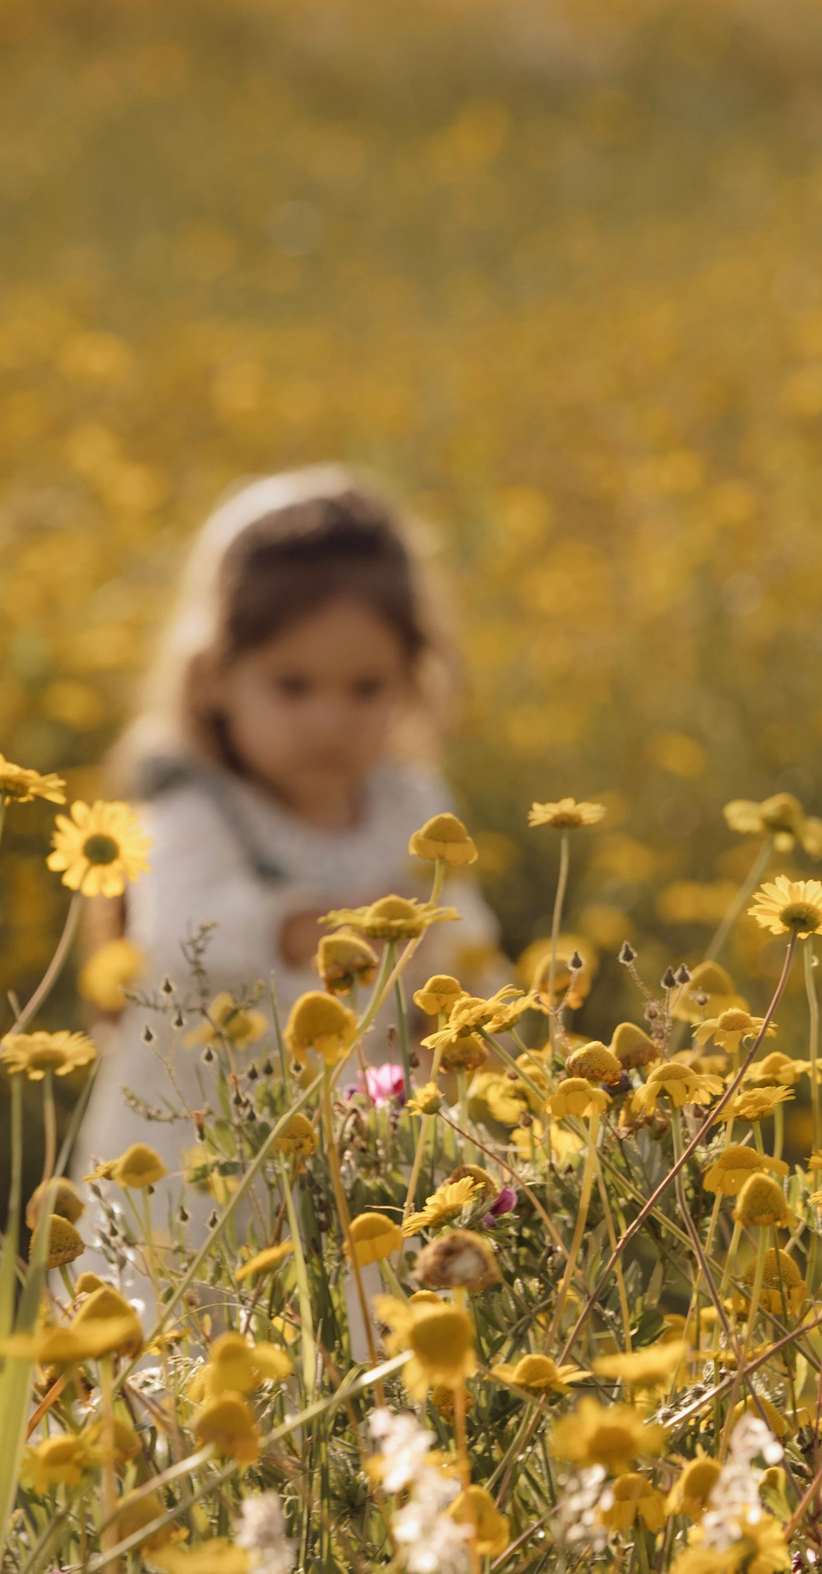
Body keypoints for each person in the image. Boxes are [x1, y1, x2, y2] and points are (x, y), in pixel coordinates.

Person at [73, 466, 501, 1182]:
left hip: (358, 1141)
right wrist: (313, 928)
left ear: (411, 676)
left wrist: (469, 1003)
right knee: (188, 1285)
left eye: (366, 688)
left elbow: (464, 929)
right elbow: (177, 934)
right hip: (200, 1150)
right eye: (292, 686)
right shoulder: (192, 807)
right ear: (214, 674)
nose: (329, 721)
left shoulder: (407, 797)